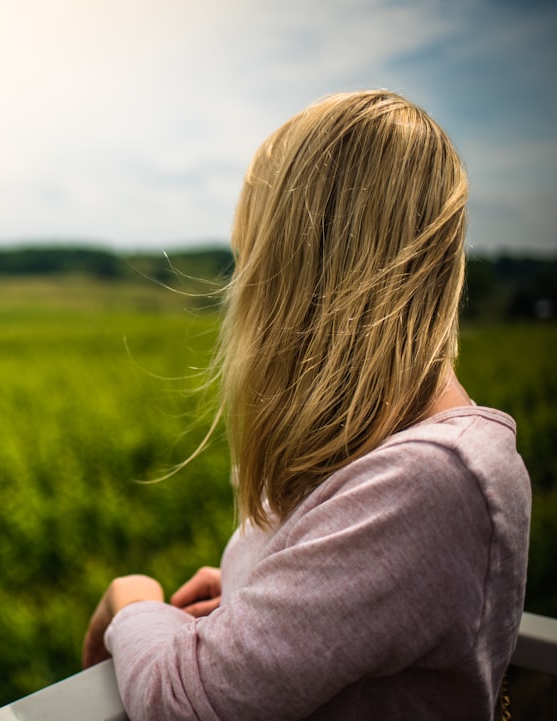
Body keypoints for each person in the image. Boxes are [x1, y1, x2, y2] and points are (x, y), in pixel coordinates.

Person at [82, 90, 531, 720]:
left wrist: (132, 604)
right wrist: (255, 591)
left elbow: (183, 705)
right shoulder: (420, 459)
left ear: (299, 276)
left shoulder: (436, 479)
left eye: (251, 260)